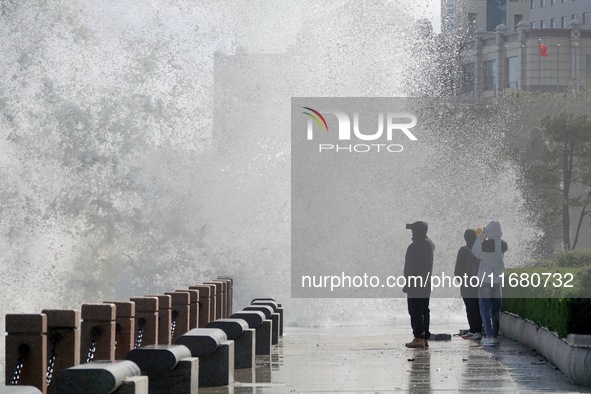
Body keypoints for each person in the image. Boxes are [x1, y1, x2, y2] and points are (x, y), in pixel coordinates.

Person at [472, 220, 508, 347]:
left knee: (485, 309)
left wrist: (482, 235)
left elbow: (475, 251)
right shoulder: (503, 244)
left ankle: (489, 336)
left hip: (485, 281)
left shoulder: (486, 244)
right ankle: (495, 335)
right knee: (495, 311)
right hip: (497, 282)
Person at [403, 221, 435, 348]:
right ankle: (424, 337)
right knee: (424, 310)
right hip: (426, 283)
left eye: (413, 230)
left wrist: (407, 281)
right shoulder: (430, 244)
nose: (411, 233)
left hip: (414, 283)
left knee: (415, 310)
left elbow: (409, 268)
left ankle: (418, 337)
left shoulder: (414, 246)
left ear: (416, 232)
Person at [454, 229, 482, 340]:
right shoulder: (479, 250)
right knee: (478, 307)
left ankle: (474, 330)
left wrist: (461, 280)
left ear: (465, 238)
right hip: (478, 282)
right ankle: (479, 329)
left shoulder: (463, 251)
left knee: (470, 308)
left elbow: (458, 270)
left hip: (467, 283)